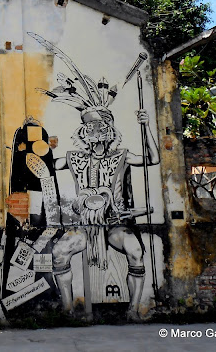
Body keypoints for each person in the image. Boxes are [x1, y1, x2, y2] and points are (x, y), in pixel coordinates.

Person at [51, 105, 159, 320]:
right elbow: (47, 166)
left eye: (101, 130)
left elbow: (152, 159)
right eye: (91, 130)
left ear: (110, 133)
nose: (97, 136)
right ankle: (67, 310)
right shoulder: (74, 158)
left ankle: (133, 311)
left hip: (115, 223)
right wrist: (47, 146)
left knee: (135, 251)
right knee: (59, 253)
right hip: (85, 225)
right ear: (84, 134)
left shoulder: (122, 156)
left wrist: (146, 126)